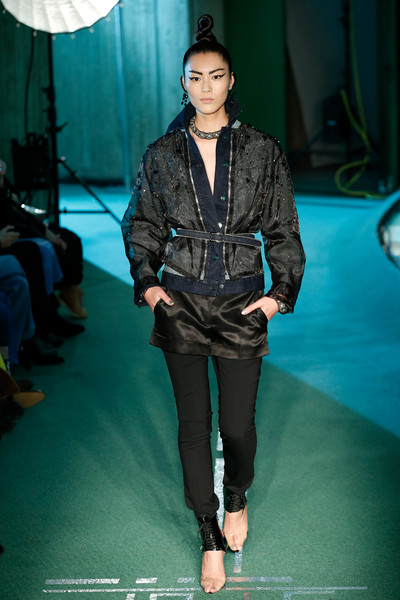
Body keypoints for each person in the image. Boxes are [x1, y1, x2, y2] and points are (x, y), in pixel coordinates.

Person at [122, 14, 305, 594]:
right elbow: (142, 223)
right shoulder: (162, 153)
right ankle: (208, 533)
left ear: (232, 80)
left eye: (216, 76)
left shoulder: (262, 150)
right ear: (183, 83)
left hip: (241, 303)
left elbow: (283, 227)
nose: (205, 86)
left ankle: (237, 497)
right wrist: (150, 285)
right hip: (180, 301)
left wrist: (277, 296)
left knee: (238, 428)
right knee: (193, 426)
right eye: (195, 77)